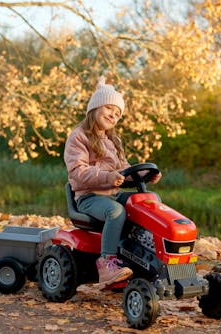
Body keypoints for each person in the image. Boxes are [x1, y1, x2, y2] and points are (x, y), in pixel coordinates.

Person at [63, 76, 161, 288]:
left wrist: (144, 176)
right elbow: (79, 172)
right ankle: (107, 263)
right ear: (95, 107)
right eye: (109, 108)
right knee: (115, 212)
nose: (113, 115)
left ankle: (148, 251)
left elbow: (124, 171)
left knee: (150, 201)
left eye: (117, 114)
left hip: (112, 193)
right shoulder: (78, 137)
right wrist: (108, 177)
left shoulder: (113, 141)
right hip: (89, 197)